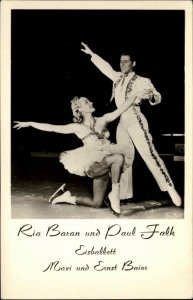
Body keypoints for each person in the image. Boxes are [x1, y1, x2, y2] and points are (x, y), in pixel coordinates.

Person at [81, 42, 182, 207]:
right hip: (122, 122)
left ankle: (169, 187)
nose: (122, 65)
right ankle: (123, 195)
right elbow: (105, 67)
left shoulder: (143, 80)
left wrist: (151, 97)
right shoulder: (117, 78)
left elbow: (157, 97)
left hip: (135, 119)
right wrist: (92, 53)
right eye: (121, 62)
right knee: (125, 157)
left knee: (148, 153)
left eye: (126, 62)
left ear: (133, 63)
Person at [13, 94, 143, 215]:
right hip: (93, 165)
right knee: (118, 157)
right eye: (86, 102)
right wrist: (30, 123)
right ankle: (115, 195)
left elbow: (121, 109)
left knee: (96, 203)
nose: (91, 102)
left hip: (105, 163)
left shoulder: (103, 120)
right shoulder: (77, 127)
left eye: (89, 101)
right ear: (79, 109)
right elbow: (52, 127)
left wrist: (135, 95)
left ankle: (65, 198)